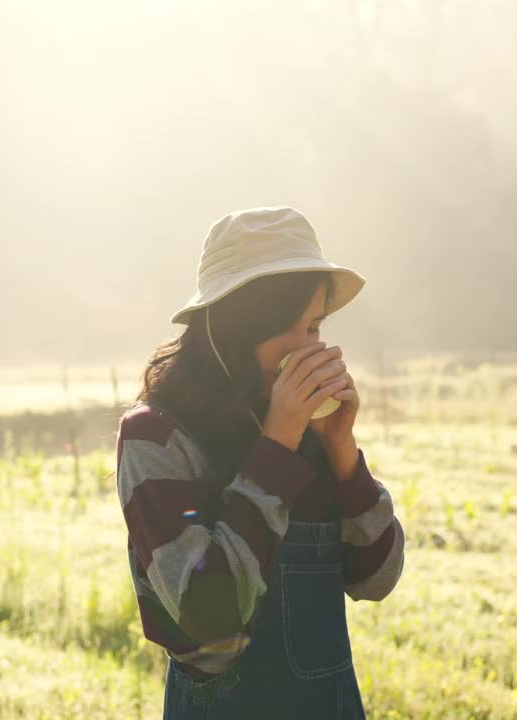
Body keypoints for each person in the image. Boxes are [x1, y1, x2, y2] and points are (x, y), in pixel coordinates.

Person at [115, 206, 406, 719]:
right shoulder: (155, 439)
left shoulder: (308, 433)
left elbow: (377, 579)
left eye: (315, 326)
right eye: (287, 327)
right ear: (234, 328)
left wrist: (342, 451)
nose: (309, 347)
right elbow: (211, 620)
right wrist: (277, 444)